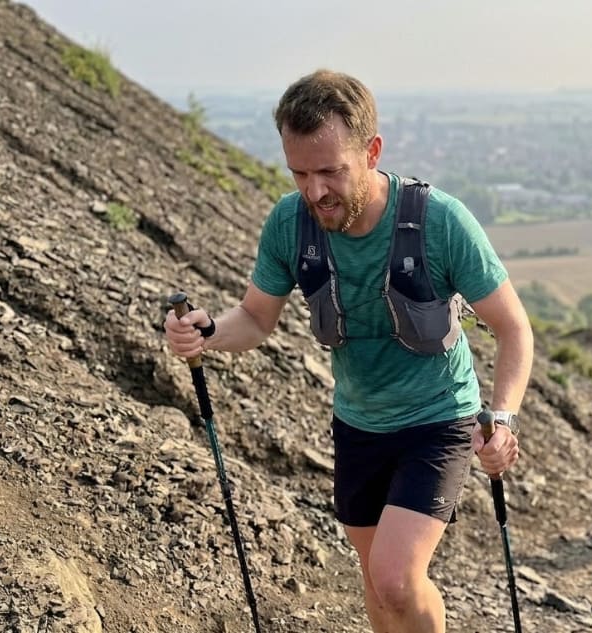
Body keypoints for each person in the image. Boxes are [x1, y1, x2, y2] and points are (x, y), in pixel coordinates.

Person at [163, 69, 534, 633]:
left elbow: (513, 328)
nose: (315, 192)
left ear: (372, 151)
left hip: (439, 416)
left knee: (395, 578)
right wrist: (207, 332)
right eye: (300, 173)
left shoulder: (440, 222)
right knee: (377, 585)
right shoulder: (291, 223)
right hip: (358, 424)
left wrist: (502, 416)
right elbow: (256, 318)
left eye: (331, 171)